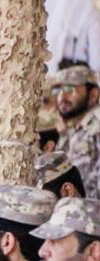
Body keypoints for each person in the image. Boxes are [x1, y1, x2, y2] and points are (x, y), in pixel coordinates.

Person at [52, 65, 100, 197]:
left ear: (93, 95)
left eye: (70, 89)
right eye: (59, 89)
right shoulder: (77, 128)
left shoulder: (96, 125)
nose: (62, 96)